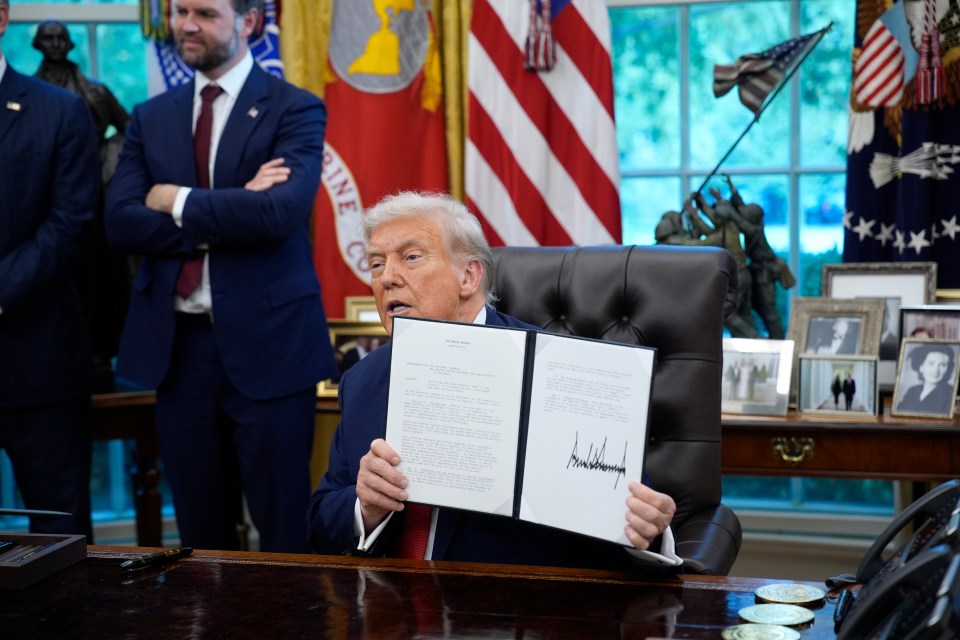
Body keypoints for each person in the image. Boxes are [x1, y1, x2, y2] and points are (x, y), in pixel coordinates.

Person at [307, 191, 678, 569]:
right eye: (375, 264)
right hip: (388, 612)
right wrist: (365, 508)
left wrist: (646, 532)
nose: (387, 278)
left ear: (469, 275)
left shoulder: (565, 372)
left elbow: (626, 515)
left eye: (411, 257)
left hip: (513, 610)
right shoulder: (363, 380)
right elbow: (320, 522)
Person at [105, 0, 337, 552]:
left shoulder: (295, 109)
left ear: (250, 22)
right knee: (199, 544)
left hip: (271, 352)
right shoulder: (151, 115)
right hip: (179, 353)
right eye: (181, 11)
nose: (186, 24)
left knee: (284, 540)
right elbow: (119, 223)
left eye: (205, 13)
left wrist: (174, 200)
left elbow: (278, 213)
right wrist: (226, 210)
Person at [0, 0, 98, 539]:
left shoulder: (60, 111)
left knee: (57, 542)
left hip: (39, 365)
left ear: (2, 16)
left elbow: (71, 224)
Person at [33, 19, 132, 391]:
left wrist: (110, 158)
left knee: (100, 277)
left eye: (61, 38)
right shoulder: (25, 92)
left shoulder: (96, 91)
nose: (56, 44)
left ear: (71, 44)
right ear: (37, 44)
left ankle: (100, 350)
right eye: (49, 38)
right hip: (45, 198)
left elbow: (132, 133)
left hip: (95, 198)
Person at [896, 344, 957, 416]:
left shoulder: (950, 393)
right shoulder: (912, 391)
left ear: (947, 370)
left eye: (942, 365)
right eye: (931, 363)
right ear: (921, 367)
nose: (936, 370)